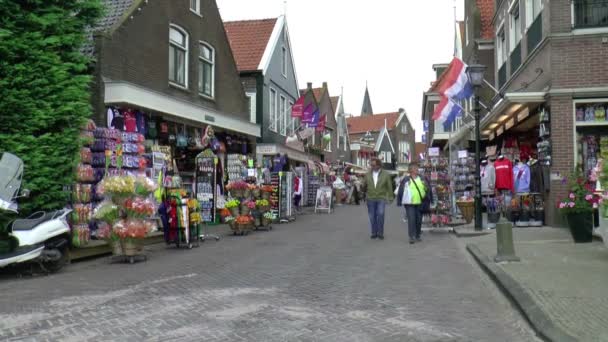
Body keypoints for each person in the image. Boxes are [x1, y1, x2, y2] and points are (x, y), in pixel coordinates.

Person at [362, 158, 394, 240]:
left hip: (381, 197)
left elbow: (389, 186)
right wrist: (362, 187)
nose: (372, 167)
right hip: (370, 197)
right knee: (372, 216)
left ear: (379, 165)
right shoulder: (367, 174)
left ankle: (380, 233)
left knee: (380, 214)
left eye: (374, 165)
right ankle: (374, 232)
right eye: (371, 165)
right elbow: (364, 185)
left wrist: (390, 197)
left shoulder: (386, 174)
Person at [396, 163, 427, 244]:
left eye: (417, 168)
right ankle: (412, 237)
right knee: (411, 219)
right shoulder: (406, 179)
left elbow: (427, 188)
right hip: (410, 203)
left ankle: (417, 235)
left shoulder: (422, 178)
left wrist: (426, 187)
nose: (417, 169)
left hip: (420, 202)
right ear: (411, 170)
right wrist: (399, 201)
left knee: (419, 220)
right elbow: (401, 191)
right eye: (415, 168)